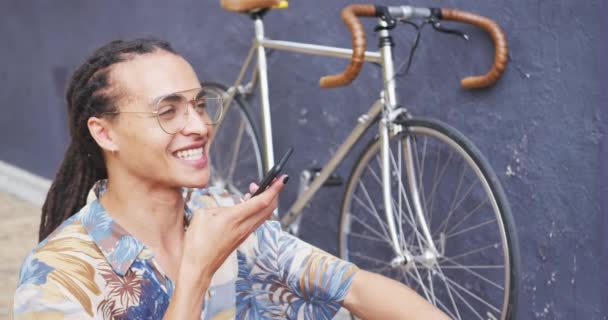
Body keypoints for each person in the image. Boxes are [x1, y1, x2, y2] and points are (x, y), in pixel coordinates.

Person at [13, 38, 449, 319]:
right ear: (104, 132)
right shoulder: (57, 277)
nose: (200, 126)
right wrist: (197, 271)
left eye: (200, 105)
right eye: (169, 111)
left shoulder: (220, 216)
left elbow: (354, 287)